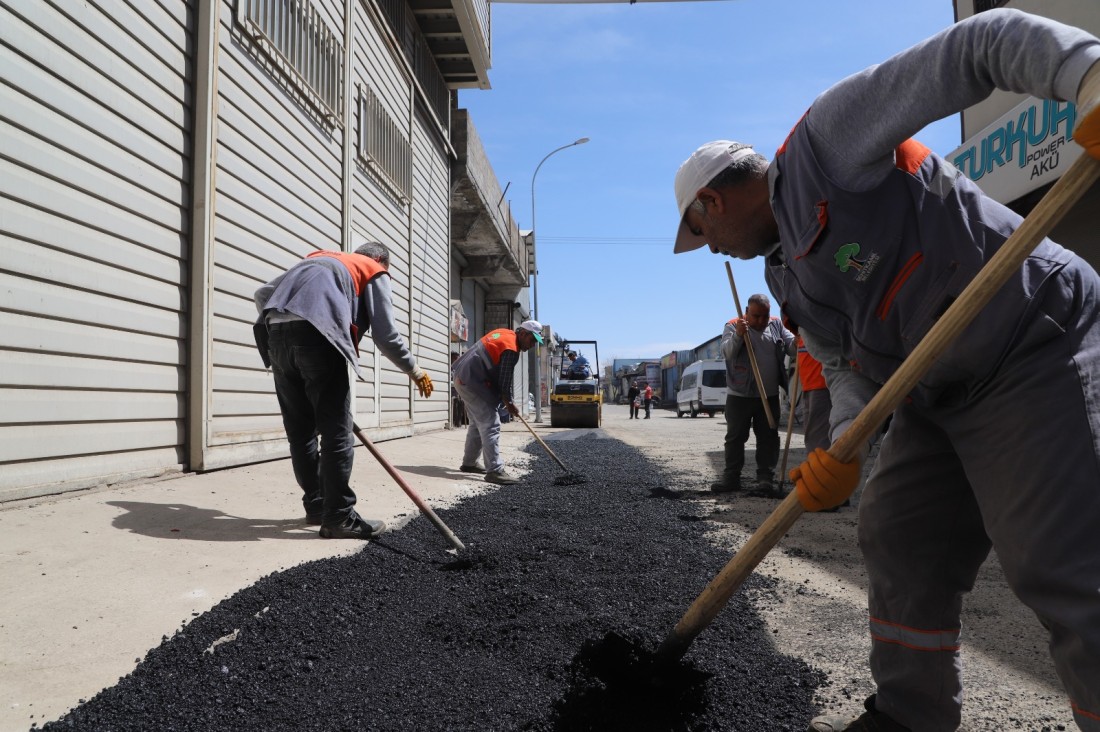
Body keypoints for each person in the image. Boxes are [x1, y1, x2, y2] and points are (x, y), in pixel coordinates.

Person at [672, 10, 1100, 731]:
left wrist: (1087, 76)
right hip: (937, 391)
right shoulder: (788, 281)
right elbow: (843, 364)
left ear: (712, 201)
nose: (712, 251)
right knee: (897, 535)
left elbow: (979, 43)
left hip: (1029, 340)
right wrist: (844, 439)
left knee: (1061, 565)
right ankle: (910, 716)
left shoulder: (829, 146)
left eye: (702, 234)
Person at [253, 241, 433, 540]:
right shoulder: (372, 269)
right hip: (317, 338)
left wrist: (288, 325)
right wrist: (414, 370)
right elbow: (386, 335)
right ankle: (339, 517)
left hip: (276, 336)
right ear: (380, 259)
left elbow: (262, 294)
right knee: (336, 433)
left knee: (301, 433)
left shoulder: (316, 260)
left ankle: (317, 505)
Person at [712, 295, 795, 494]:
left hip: (769, 394)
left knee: (768, 437)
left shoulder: (775, 324)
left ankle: (765, 480)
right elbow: (727, 353)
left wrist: (800, 336)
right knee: (735, 438)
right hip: (740, 394)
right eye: (756, 316)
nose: (760, 320)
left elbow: (793, 346)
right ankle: (731, 478)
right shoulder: (733, 325)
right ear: (747, 312)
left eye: (764, 316)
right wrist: (739, 335)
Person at [451, 320, 543, 484]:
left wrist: (507, 401)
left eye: (535, 342)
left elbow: (499, 378)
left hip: (462, 377)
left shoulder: (505, 333)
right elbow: (504, 381)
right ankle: (495, 471)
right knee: (490, 423)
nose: (532, 345)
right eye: (532, 340)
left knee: (476, 424)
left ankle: (469, 463)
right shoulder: (511, 349)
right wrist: (509, 403)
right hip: (470, 381)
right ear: (523, 334)